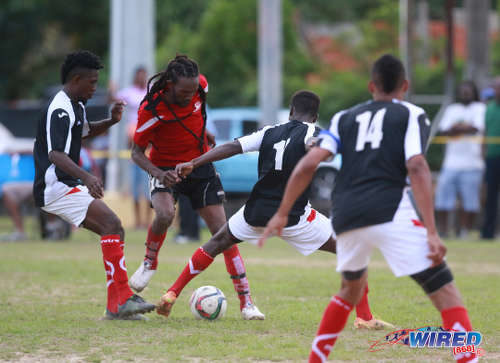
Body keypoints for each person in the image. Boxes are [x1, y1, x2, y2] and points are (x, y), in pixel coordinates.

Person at [261, 55, 477, 363]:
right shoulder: (412, 114)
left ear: (371, 86)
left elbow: (309, 163)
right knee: (445, 291)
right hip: (390, 209)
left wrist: (282, 212)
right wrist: (431, 231)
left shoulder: (344, 117)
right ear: (405, 86)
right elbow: (416, 165)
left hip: (346, 214)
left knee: (349, 290)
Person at [155, 90, 393, 330]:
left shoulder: (269, 132)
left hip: (255, 213)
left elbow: (232, 146)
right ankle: (364, 317)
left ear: (291, 112)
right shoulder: (314, 132)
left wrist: (194, 162)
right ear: (315, 116)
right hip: (295, 218)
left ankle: (171, 293)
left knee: (215, 244)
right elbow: (328, 147)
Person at [129, 54, 264, 320]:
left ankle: (247, 303)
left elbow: (194, 114)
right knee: (165, 215)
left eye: (194, 91)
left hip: (198, 165)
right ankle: (149, 262)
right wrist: (158, 173)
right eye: (184, 92)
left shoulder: (198, 86)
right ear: (169, 84)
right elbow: (136, 152)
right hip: (164, 169)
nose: (190, 96)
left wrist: (203, 134)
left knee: (224, 234)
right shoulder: (151, 109)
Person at [32, 50, 155, 320]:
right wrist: (87, 177)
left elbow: (84, 131)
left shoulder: (75, 104)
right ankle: (122, 300)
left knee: (114, 229)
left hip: (64, 184)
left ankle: (117, 306)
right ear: (76, 79)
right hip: (55, 186)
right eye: (92, 82)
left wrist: (111, 121)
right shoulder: (60, 109)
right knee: (112, 224)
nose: (94, 88)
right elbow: (55, 155)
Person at [434, 81, 485, 238]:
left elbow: (476, 128)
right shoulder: (452, 109)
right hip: (451, 162)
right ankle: (443, 231)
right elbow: (444, 130)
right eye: (462, 91)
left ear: (474, 93)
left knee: (469, 201)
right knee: (443, 198)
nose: (465, 94)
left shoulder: (480, 108)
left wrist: (456, 129)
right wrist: (463, 128)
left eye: (468, 91)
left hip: (473, 163)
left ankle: (464, 231)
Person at [111, 66, 151, 229]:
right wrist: (112, 90)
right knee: (135, 188)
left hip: (148, 146)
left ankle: (147, 221)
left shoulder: (149, 93)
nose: (142, 78)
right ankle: (138, 221)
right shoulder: (129, 92)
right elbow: (115, 100)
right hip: (134, 145)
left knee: (148, 188)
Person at [481, 77, 500, 239]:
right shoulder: (489, 108)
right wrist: (483, 154)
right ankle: (488, 233)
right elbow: (485, 132)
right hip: (492, 158)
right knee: (490, 197)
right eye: (496, 88)